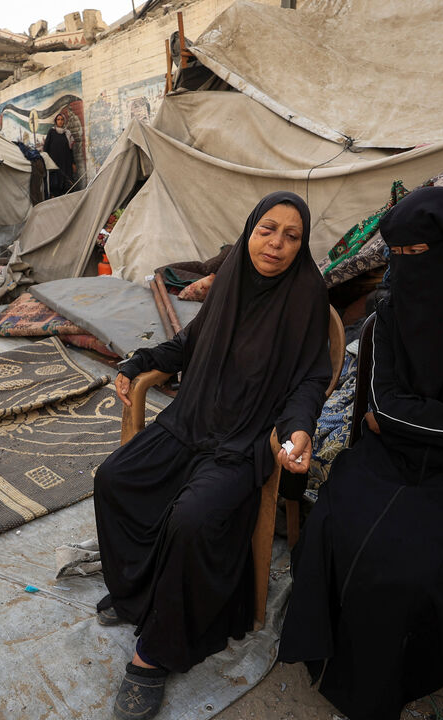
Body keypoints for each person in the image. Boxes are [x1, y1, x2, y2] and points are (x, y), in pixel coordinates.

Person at [278, 186, 443, 719]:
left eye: (416, 255)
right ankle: (327, 652)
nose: (405, 268)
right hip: (393, 458)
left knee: (408, 568)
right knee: (331, 525)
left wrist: (411, 420)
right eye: (395, 255)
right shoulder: (392, 315)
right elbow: (384, 407)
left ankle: (387, 684)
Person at [95, 191, 332, 720]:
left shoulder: (306, 296)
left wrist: (298, 430)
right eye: (267, 229)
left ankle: (154, 652)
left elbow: (312, 378)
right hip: (192, 420)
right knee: (114, 477)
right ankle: (140, 594)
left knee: (194, 517)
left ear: (303, 245)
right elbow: (189, 344)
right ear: (250, 229)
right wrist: (140, 362)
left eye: (292, 236)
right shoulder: (231, 278)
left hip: (246, 437)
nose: (277, 244)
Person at [42, 113, 75, 197]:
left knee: (67, 182)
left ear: (64, 121)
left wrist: (73, 163)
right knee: (56, 183)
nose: (60, 121)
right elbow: (46, 148)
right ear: (56, 121)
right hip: (55, 163)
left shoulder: (67, 133)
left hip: (66, 162)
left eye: (62, 119)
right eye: (58, 119)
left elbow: (70, 150)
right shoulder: (52, 132)